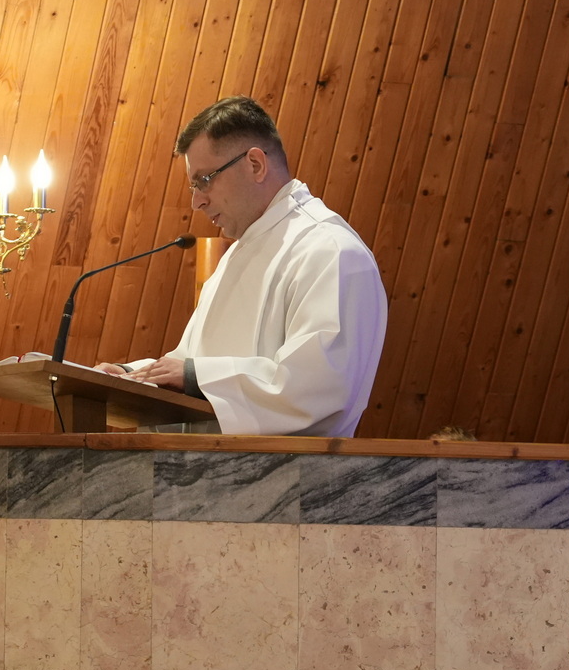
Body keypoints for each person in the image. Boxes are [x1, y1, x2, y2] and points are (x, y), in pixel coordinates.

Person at [94, 95, 386, 438]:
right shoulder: (234, 258)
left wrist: (193, 376)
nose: (197, 201)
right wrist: (131, 376)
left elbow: (315, 390)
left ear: (255, 164)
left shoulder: (330, 251)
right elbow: (188, 364)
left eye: (204, 180)